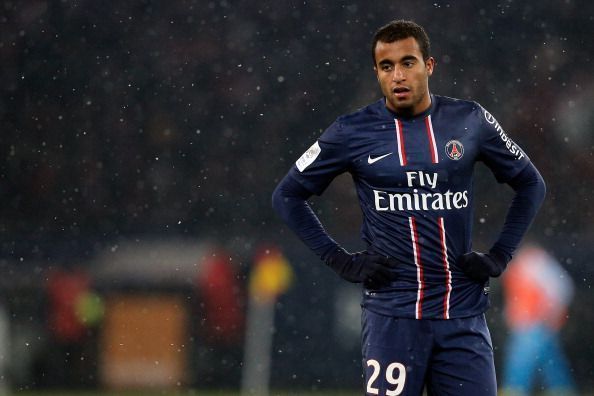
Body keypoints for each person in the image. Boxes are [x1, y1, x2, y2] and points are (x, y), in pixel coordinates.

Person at [272, 19, 546, 395]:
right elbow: (287, 195)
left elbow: (531, 183)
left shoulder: (469, 120)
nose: (398, 75)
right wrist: (340, 260)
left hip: (461, 316)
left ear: (429, 66)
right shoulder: (351, 131)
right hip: (393, 317)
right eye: (387, 66)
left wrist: (500, 255)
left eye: (408, 62)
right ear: (376, 72)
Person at [501, 244, 576, 396]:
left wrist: (548, 313)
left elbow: (561, 287)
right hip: (530, 322)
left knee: (521, 359)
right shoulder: (522, 264)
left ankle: (514, 390)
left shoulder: (533, 262)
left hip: (533, 322)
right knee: (550, 361)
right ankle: (562, 390)